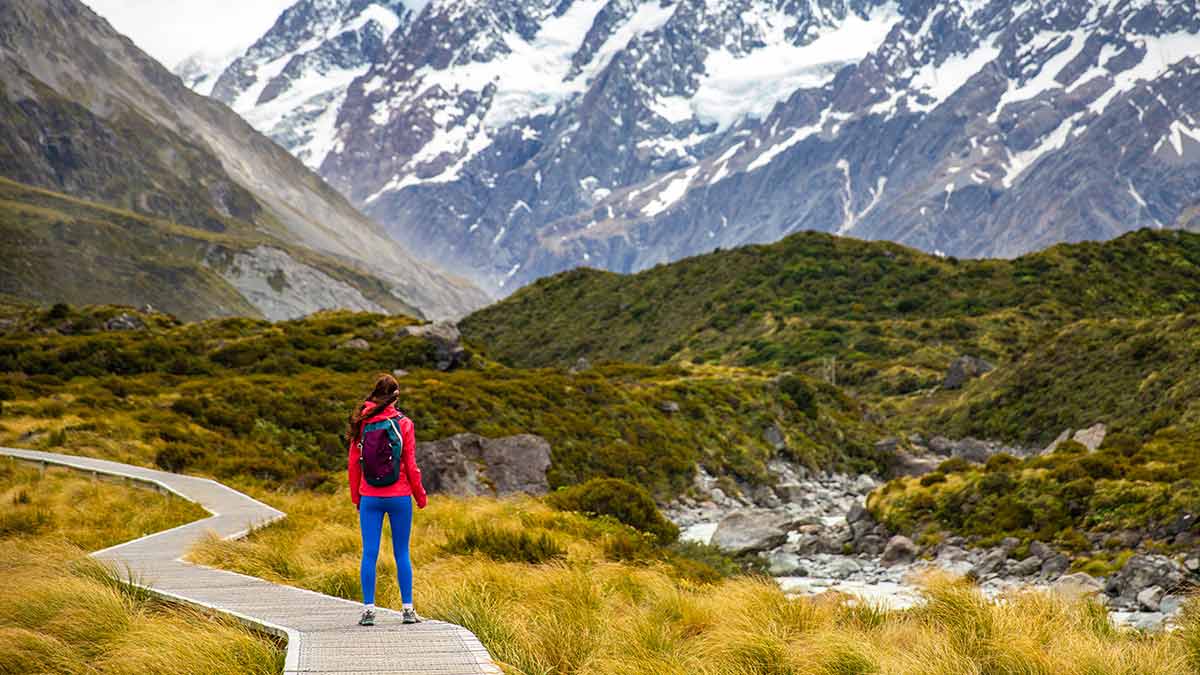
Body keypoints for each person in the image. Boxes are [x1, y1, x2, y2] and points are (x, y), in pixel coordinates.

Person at [346, 373, 427, 626]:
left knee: (369, 553)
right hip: (400, 496)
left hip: (369, 497)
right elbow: (411, 465)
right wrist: (420, 495)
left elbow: (353, 465)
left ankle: (369, 610)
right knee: (401, 552)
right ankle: (407, 610)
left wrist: (356, 497)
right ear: (396, 396)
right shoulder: (405, 424)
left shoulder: (362, 421)